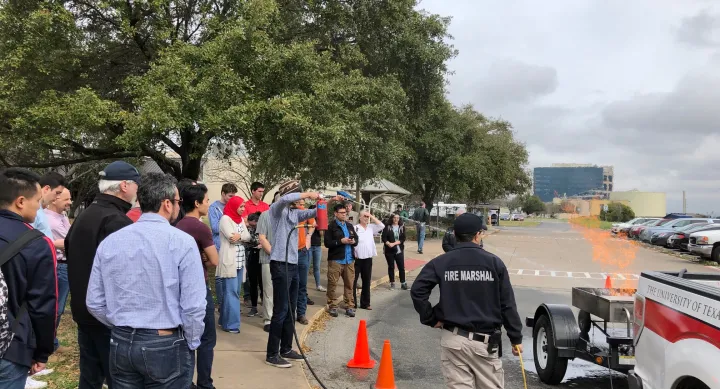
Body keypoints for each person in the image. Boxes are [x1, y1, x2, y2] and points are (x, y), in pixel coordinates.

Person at [86, 172, 206, 388]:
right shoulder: (182, 242)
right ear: (167, 204)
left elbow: (94, 302)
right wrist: (191, 340)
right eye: (178, 201)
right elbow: (194, 305)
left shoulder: (111, 242)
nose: (179, 207)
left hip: (121, 342)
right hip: (165, 341)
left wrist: (122, 323)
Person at [410, 213, 523, 388]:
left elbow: (418, 290)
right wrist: (515, 337)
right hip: (484, 344)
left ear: (454, 234)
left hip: (454, 340)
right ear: (478, 235)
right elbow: (507, 304)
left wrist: (430, 318)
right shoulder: (494, 263)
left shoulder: (442, 262)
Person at [65, 161, 140, 389]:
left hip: (84, 312)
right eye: (136, 185)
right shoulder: (117, 221)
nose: (138, 191)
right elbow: (127, 275)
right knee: (119, 379)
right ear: (124, 186)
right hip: (107, 317)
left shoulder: (85, 215)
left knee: (90, 378)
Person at [265, 181, 342, 368]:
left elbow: (313, 213)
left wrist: (328, 202)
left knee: (291, 308)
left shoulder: (294, 213)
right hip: (280, 263)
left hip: (293, 263)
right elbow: (286, 198)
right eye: (297, 196)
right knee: (281, 310)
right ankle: (272, 354)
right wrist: (308, 194)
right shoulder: (277, 209)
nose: (300, 201)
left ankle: (286, 348)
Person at [0, 168, 57, 389]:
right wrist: (42, 351)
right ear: (21, 201)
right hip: (9, 347)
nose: (39, 207)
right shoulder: (37, 244)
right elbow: (43, 306)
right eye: (38, 201)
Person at [175, 184, 219, 389]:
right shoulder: (200, 227)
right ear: (196, 203)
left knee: (184, 339)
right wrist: (203, 261)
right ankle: (204, 383)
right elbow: (214, 260)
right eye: (207, 200)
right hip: (199, 288)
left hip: (178, 288)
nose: (208, 204)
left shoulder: (177, 225)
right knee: (206, 339)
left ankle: (185, 382)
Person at [217, 196, 250, 334]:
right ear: (234, 205)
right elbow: (231, 238)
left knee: (234, 292)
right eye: (241, 206)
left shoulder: (240, 219)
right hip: (229, 261)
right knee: (231, 293)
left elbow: (247, 236)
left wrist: (240, 236)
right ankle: (232, 325)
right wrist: (240, 236)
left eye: (244, 207)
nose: (243, 209)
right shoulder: (225, 219)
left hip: (240, 262)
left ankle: (224, 321)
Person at [46, 188, 72, 353]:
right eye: (66, 199)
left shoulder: (61, 217)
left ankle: (51, 342)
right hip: (59, 265)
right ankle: (47, 345)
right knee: (56, 308)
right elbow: (70, 241)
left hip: (65, 265)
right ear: (55, 199)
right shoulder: (51, 220)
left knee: (58, 308)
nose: (70, 202)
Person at [324, 203, 359, 318]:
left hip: (349, 260)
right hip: (336, 260)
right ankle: (332, 306)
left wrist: (354, 242)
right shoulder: (331, 227)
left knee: (349, 284)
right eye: (342, 213)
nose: (344, 214)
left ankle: (349, 306)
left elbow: (356, 239)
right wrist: (340, 241)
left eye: (345, 212)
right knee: (333, 283)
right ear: (335, 214)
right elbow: (327, 243)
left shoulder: (349, 226)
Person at [209, 183, 237, 313]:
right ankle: (221, 304)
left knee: (230, 275)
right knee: (220, 276)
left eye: (234, 196)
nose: (232, 199)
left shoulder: (233, 206)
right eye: (230, 196)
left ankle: (229, 302)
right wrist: (226, 222)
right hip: (219, 245)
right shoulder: (214, 208)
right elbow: (214, 228)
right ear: (223, 193)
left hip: (232, 244)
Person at [241, 182, 269, 307]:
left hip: (263, 243)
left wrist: (253, 221)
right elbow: (244, 222)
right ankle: (248, 297)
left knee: (263, 275)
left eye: (263, 191)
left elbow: (268, 222)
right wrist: (255, 222)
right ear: (253, 191)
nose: (261, 193)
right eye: (259, 191)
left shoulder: (265, 206)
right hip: (248, 243)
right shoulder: (246, 205)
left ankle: (264, 298)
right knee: (248, 273)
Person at [353, 211, 384, 310]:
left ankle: (365, 303)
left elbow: (382, 226)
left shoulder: (371, 227)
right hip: (357, 259)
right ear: (359, 218)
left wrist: (371, 216)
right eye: (364, 216)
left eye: (367, 217)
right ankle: (352, 303)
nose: (366, 218)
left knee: (366, 281)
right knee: (353, 281)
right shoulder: (355, 228)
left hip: (367, 258)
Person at [295, 200, 315, 325]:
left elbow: (313, 224)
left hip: (302, 252)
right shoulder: (287, 212)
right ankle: (289, 313)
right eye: (299, 203)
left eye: (303, 203)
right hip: (288, 253)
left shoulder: (305, 212)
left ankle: (301, 313)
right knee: (289, 285)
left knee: (302, 285)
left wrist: (308, 236)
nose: (301, 205)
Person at [31, 172, 66, 240]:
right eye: (57, 193)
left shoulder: (40, 210)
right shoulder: (34, 211)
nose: (58, 197)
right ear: (46, 189)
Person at [257, 210, 274, 333]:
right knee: (268, 290)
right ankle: (268, 319)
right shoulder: (265, 215)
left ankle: (280, 316)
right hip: (268, 258)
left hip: (286, 259)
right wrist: (274, 254)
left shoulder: (290, 214)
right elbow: (262, 238)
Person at [381, 214, 407, 290]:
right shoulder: (387, 227)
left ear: (399, 219)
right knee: (391, 266)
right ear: (392, 218)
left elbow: (403, 238)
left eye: (397, 218)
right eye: (394, 218)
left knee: (401, 267)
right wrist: (388, 243)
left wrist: (394, 243)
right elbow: (384, 237)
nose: (396, 219)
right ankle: (392, 282)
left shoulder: (402, 227)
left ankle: (403, 283)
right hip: (389, 250)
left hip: (399, 249)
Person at [244, 212, 263, 318]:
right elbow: (245, 241)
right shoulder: (248, 229)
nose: (251, 227)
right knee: (252, 283)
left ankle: (265, 307)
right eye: (250, 225)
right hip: (252, 257)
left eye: (253, 225)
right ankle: (254, 307)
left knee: (263, 283)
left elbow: (262, 241)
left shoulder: (263, 229)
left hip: (262, 258)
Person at [307, 205, 326, 292]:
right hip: (309, 246)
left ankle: (318, 285)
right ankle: (304, 285)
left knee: (316, 267)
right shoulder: (307, 219)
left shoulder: (319, 219)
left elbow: (322, 234)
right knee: (306, 267)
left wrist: (319, 224)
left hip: (317, 246)